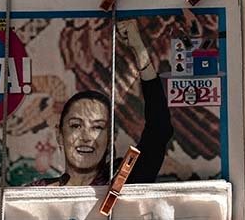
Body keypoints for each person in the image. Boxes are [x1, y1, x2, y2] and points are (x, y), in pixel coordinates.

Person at [29, 19, 174, 186]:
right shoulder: (40, 190)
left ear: (110, 139)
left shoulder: (123, 180)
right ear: (59, 135)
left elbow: (159, 129)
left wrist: (138, 47)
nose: (86, 137)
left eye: (97, 127)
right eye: (76, 125)